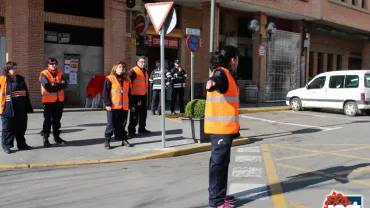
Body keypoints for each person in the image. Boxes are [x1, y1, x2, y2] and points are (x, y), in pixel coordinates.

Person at [205, 45, 241, 208]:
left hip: (225, 130)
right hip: (220, 130)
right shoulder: (221, 73)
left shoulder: (227, 74)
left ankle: (220, 194)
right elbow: (216, 80)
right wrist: (211, 83)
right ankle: (216, 202)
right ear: (233, 60)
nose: (238, 62)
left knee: (222, 164)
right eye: (238, 58)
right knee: (218, 165)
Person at [0, 62, 33, 154]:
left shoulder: (21, 79)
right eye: (13, 68)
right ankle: (7, 146)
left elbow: (25, 93)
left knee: (21, 128)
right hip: (8, 108)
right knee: (8, 129)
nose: (15, 70)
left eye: (16, 68)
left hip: (21, 109)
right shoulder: (3, 79)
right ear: (7, 69)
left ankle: (21, 145)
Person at [103, 61, 133, 149]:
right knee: (110, 124)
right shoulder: (110, 78)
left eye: (123, 67)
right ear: (115, 68)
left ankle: (123, 139)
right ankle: (107, 140)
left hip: (124, 107)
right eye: (120, 67)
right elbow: (105, 93)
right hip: (113, 107)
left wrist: (131, 105)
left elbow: (129, 93)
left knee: (122, 125)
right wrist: (107, 104)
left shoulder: (127, 79)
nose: (122, 68)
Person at [39, 57, 68, 147]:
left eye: (55, 63)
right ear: (48, 64)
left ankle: (56, 137)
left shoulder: (60, 73)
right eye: (52, 64)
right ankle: (46, 138)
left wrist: (55, 85)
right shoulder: (44, 74)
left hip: (59, 101)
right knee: (47, 120)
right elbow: (47, 86)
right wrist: (59, 87)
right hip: (48, 101)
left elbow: (65, 84)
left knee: (57, 120)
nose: (54, 65)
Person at [127, 56, 151, 137]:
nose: (143, 63)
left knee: (144, 113)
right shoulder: (133, 71)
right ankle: (131, 131)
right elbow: (128, 83)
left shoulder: (145, 71)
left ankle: (142, 128)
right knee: (135, 114)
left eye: (144, 62)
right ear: (137, 62)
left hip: (143, 95)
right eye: (141, 62)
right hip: (135, 96)